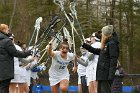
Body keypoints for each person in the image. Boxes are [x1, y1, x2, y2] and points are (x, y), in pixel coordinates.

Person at [82, 25, 119, 93]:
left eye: (103, 33)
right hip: (101, 74)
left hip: (106, 75)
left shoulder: (112, 44)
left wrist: (110, 75)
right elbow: (97, 51)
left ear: (106, 35)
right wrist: (85, 45)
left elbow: (113, 60)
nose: (101, 35)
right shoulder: (106, 44)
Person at [0, 24, 32, 93]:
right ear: (4, 30)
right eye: (8, 29)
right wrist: (28, 53)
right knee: (4, 88)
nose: (8, 30)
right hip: (5, 71)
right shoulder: (7, 41)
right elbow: (15, 53)